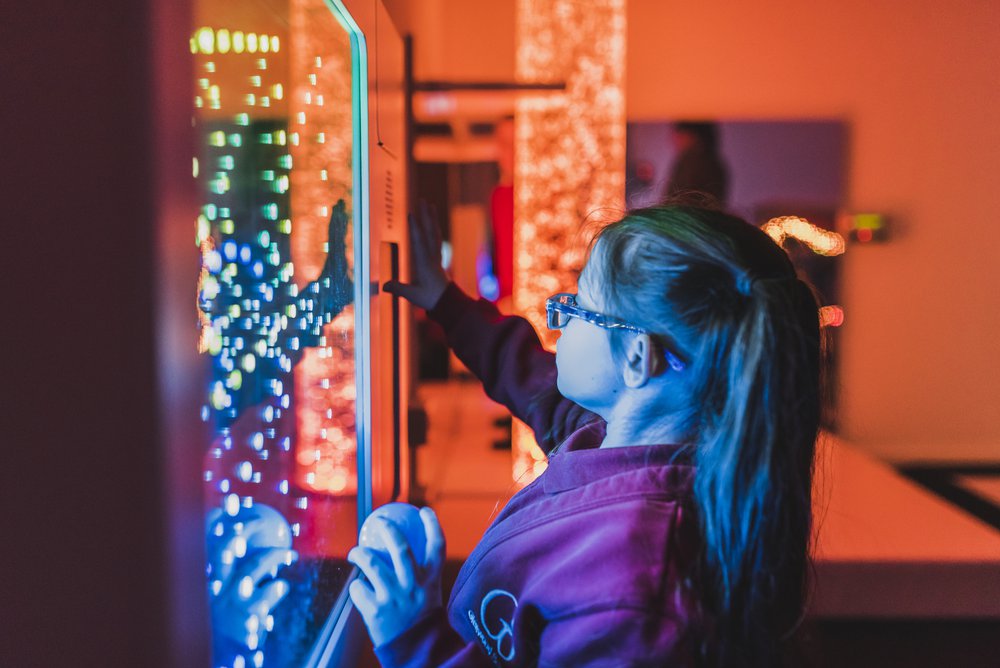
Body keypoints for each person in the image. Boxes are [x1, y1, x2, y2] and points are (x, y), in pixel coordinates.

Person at [348, 201, 822, 666]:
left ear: (638, 357)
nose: (562, 318)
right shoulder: (609, 441)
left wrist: (418, 644)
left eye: (580, 307)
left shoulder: (634, 590)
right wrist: (444, 301)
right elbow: (531, 381)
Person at [664, 122, 730, 206]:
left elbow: (680, 200)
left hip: (686, 216)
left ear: (692, 135)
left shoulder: (691, 161)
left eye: (679, 134)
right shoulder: (716, 163)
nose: (674, 140)